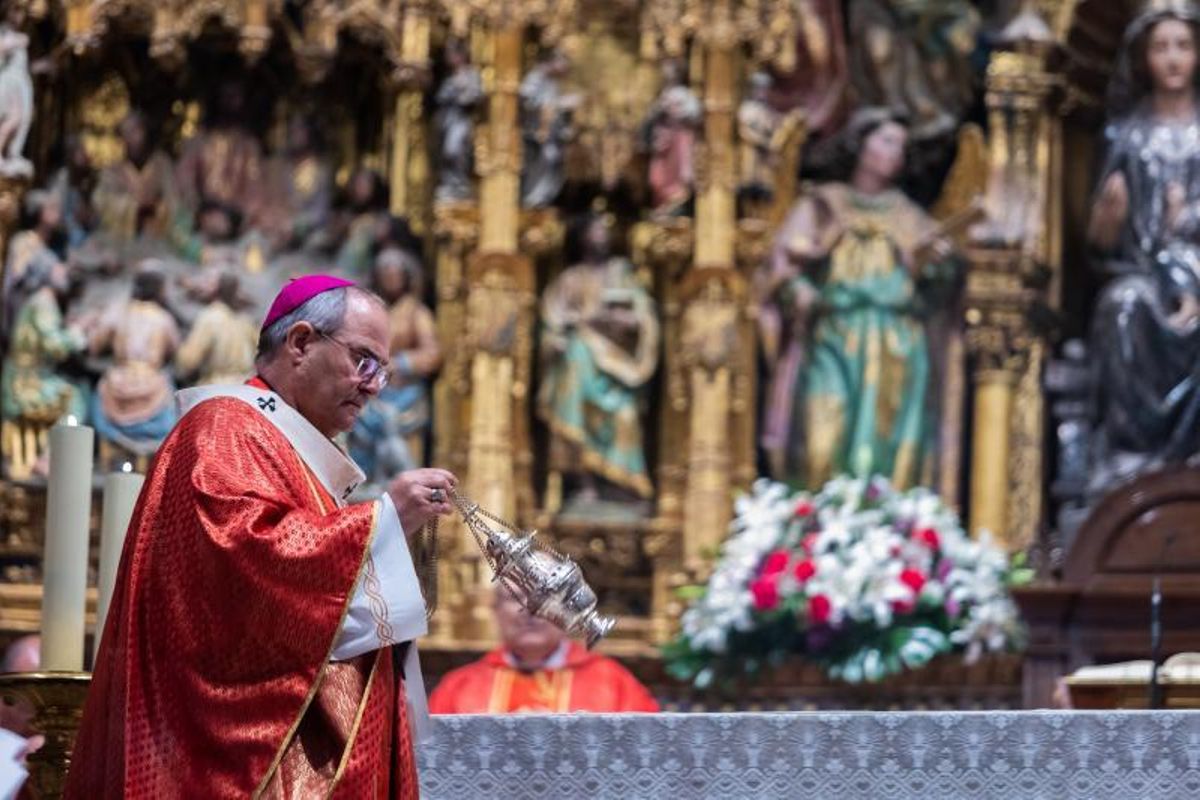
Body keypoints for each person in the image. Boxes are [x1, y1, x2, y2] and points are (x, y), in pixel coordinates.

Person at [66, 275, 459, 798]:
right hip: (243, 769)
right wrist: (383, 520)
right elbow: (248, 564)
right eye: (363, 360)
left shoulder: (291, 448)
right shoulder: (223, 428)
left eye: (381, 372)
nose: (371, 385)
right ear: (300, 343)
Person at [759, 108, 956, 489]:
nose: (895, 153)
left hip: (896, 341)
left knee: (883, 452)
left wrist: (939, 266)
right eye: (885, 141)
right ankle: (811, 526)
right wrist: (796, 291)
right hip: (832, 335)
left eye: (901, 146)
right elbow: (781, 266)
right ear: (859, 145)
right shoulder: (821, 204)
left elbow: (937, 291)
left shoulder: (910, 217)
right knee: (821, 444)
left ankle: (886, 527)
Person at [1085, 2, 1200, 494]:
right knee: (1122, 305)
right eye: (1160, 47)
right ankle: (1132, 455)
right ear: (1143, 58)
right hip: (1143, 277)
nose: (1172, 58)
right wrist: (1107, 219)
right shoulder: (1123, 136)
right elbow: (1098, 247)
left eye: (1183, 46)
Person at [429, 586, 658, 714]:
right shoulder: (458, 688)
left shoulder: (614, 684)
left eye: (544, 596)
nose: (530, 610)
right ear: (496, 611)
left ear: (568, 610)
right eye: (515, 597)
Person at [174, 271, 258, 386]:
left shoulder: (209, 317)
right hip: (245, 390)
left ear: (216, 290)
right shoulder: (246, 320)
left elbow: (188, 362)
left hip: (215, 390)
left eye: (208, 283)